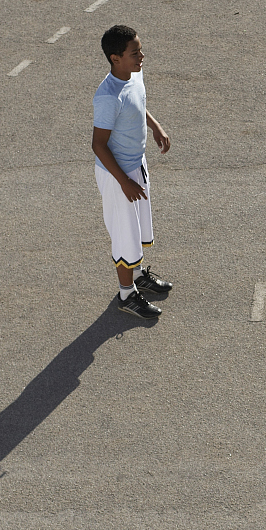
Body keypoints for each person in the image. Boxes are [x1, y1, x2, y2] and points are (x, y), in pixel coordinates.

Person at [92, 24, 174, 318]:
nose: (142, 56)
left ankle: (138, 276)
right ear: (116, 58)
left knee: (137, 227)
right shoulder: (107, 97)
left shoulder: (133, 75)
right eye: (135, 52)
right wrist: (124, 181)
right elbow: (98, 145)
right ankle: (126, 295)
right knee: (124, 236)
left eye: (140, 49)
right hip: (118, 177)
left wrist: (156, 127)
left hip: (135, 166)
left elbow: (138, 103)